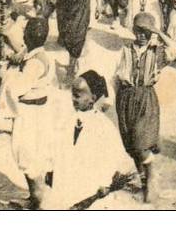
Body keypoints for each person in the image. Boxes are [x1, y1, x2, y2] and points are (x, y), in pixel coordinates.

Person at [114, 12, 176, 203]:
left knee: (140, 142)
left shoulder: (157, 51)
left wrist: (158, 32)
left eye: (146, 31)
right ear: (133, 30)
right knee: (131, 146)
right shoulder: (125, 49)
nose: (142, 35)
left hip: (145, 99)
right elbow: (115, 76)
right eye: (138, 30)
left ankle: (152, 175)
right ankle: (145, 181)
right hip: (125, 97)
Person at [44, 71, 133, 209]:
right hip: (64, 180)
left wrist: (105, 182)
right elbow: (54, 145)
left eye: (78, 95)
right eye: (72, 94)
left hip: (89, 186)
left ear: (93, 98)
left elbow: (113, 155)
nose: (73, 99)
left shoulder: (103, 125)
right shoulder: (67, 120)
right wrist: (50, 169)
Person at [3, 18, 57, 209]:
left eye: (26, 32)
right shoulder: (42, 55)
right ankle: (37, 197)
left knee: (25, 153)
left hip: (29, 112)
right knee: (36, 153)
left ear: (28, 36)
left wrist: (10, 72)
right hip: (40, 111)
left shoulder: (34, 63)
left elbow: (17, 88)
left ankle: (39, 199)